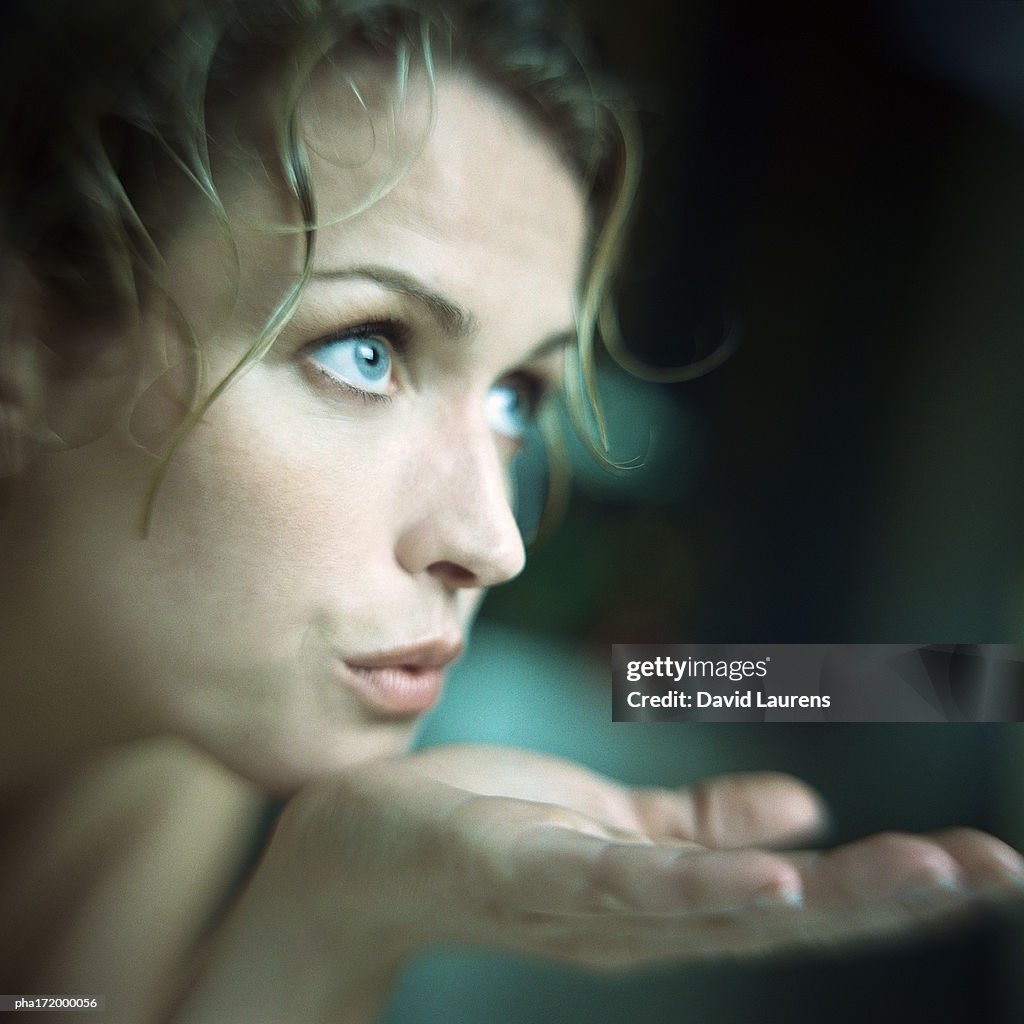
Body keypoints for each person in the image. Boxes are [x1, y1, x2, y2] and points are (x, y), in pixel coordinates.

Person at [0, 2, 1021, 1022]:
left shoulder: (184, 746)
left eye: (514, 398)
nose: (493, 544)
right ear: (25, 344)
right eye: (366, 348)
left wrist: (329, 925)